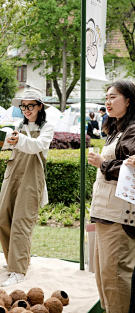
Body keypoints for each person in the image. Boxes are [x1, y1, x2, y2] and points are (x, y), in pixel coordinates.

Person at [0, 87, 54, 287]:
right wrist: (3, 141)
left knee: (21, 223)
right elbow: (8, 146)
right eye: (23, 106)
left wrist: (18, 139)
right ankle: (14, 258)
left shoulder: (47, 127)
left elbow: (37, 146)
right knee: (1, 219)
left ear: (39, 106)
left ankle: (18, 269)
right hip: (12, 174)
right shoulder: (17, 125)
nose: (26, 109)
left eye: (30, 106)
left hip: (31, 178)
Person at [88, 80, 135, 313]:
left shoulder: (133, 129)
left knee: (114, 277)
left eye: (113, 96)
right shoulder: (116, 129)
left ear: (128, 100)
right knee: (104, 276)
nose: (108, 101)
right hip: (104, 212)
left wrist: (103, 163)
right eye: (106, 97)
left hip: (119, 215)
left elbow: (131, 168)